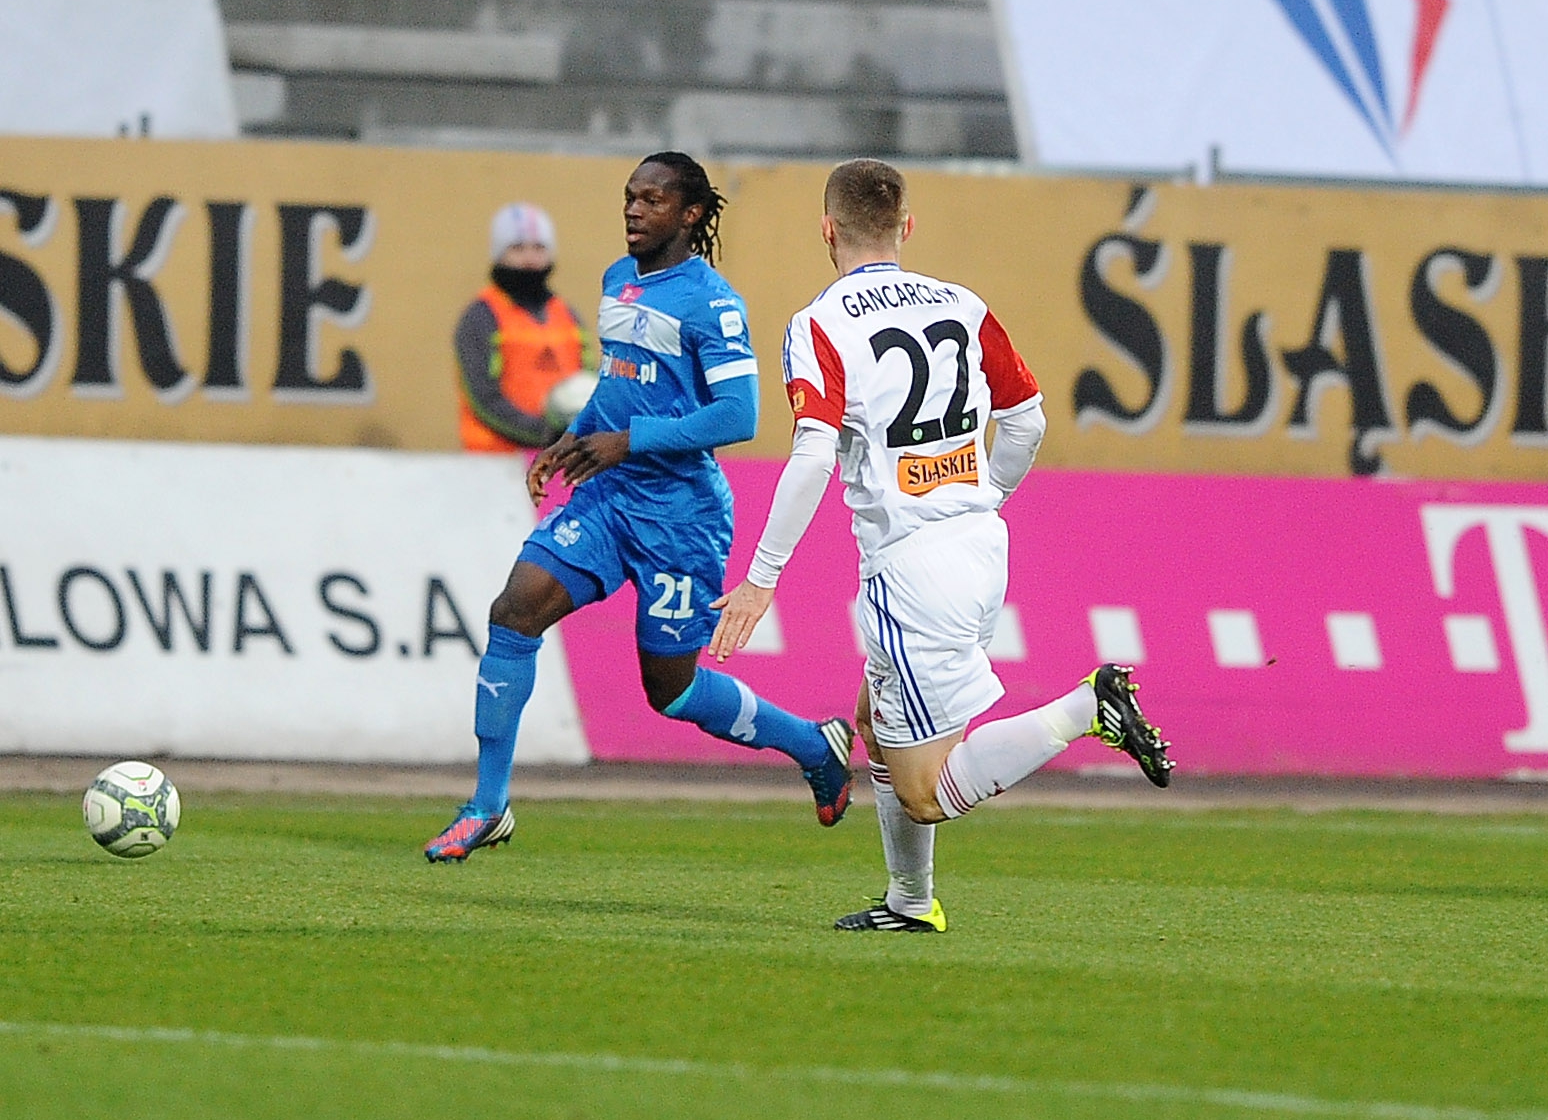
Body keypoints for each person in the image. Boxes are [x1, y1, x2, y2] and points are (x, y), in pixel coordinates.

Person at [708, 158, 1171, 932]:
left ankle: (1088, 707)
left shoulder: (819, 324)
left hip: (911, 569)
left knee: (926, 787)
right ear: (907, 228)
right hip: (981, 547)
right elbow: (1027, 420)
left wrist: (761, 578)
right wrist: (982, 497)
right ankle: (910, 903)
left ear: (827, 229)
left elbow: (815, 453)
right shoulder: (963, 306)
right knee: (873, 717)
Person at [424, 153, 856, 863]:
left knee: (671, 690)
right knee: (515, 611)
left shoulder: (713, 303)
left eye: (652, 200)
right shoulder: (617, 280)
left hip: (680, 519)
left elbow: (738, 415)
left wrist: (630, 441)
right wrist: (573, 436)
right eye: (629, 197)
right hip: (608, 498)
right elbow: (619, 382)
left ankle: (813, 743)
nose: (633, 210)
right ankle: (487, 805)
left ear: (688, 215)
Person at [455, 203, 592, 452]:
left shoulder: (567, 314)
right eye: (517, 248)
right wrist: (546, 434)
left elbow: (588, 381)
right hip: (495, 463)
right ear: (499, 254)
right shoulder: (481, 316)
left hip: (558, 462)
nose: (529, 259)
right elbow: (483, 399)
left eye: (539, 248)